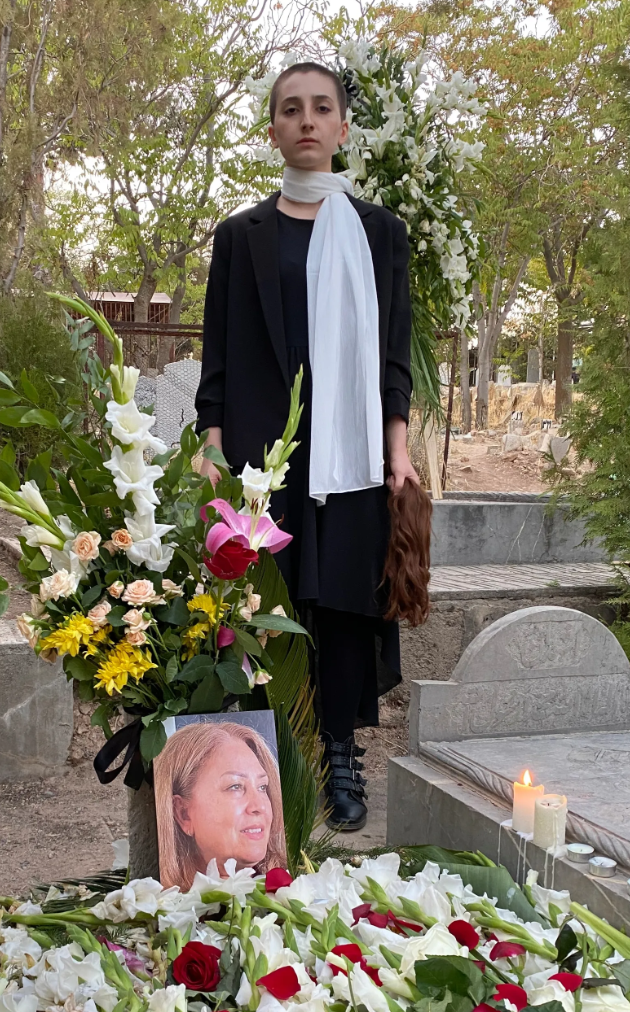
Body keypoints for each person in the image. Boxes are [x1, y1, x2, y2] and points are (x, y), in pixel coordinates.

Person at [195, 61, 419, 832]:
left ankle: (340, 753)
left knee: (345, 602)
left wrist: (397, 449)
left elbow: (393, 353)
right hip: (263, 450)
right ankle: (269, 756)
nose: (306, 120)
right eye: (290, 109)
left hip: (350, 451)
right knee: (266, 601)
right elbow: (218, 352)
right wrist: (211, 446)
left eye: (321, 107)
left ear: (342, 127)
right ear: (273, 131)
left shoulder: (380, 233)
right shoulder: (240, 237)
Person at [154, 721, 287, 891]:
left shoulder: (291, 889)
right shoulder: (154, 902)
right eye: (235, 786)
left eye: (262, 787)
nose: (259, 806)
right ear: (183, 813)